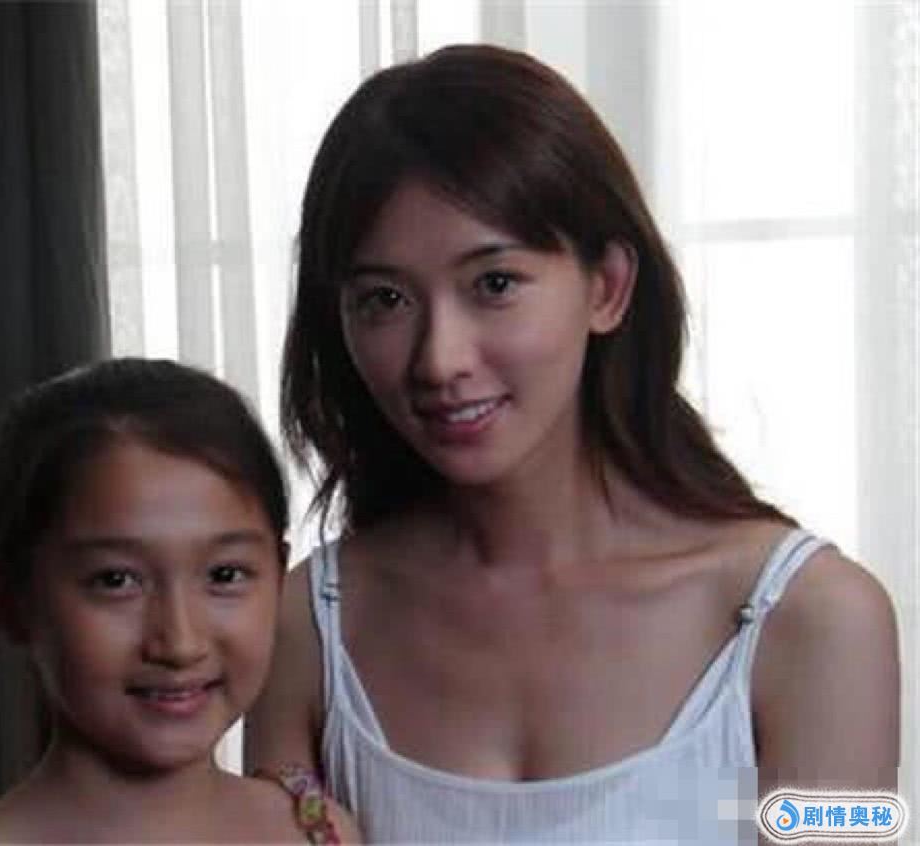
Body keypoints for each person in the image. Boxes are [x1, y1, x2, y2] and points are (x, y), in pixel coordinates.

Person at [244, 45, 899, 843]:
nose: (439, 359)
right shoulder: (307, 626)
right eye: (384, 299)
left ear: (608, 286)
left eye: (494, 284)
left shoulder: (814, 621)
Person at [0, 358, 359, 843]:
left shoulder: (316, 831)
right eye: (116, 580)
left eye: (225, 575)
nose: (180, 643)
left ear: (277, 577)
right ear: (8, 599)